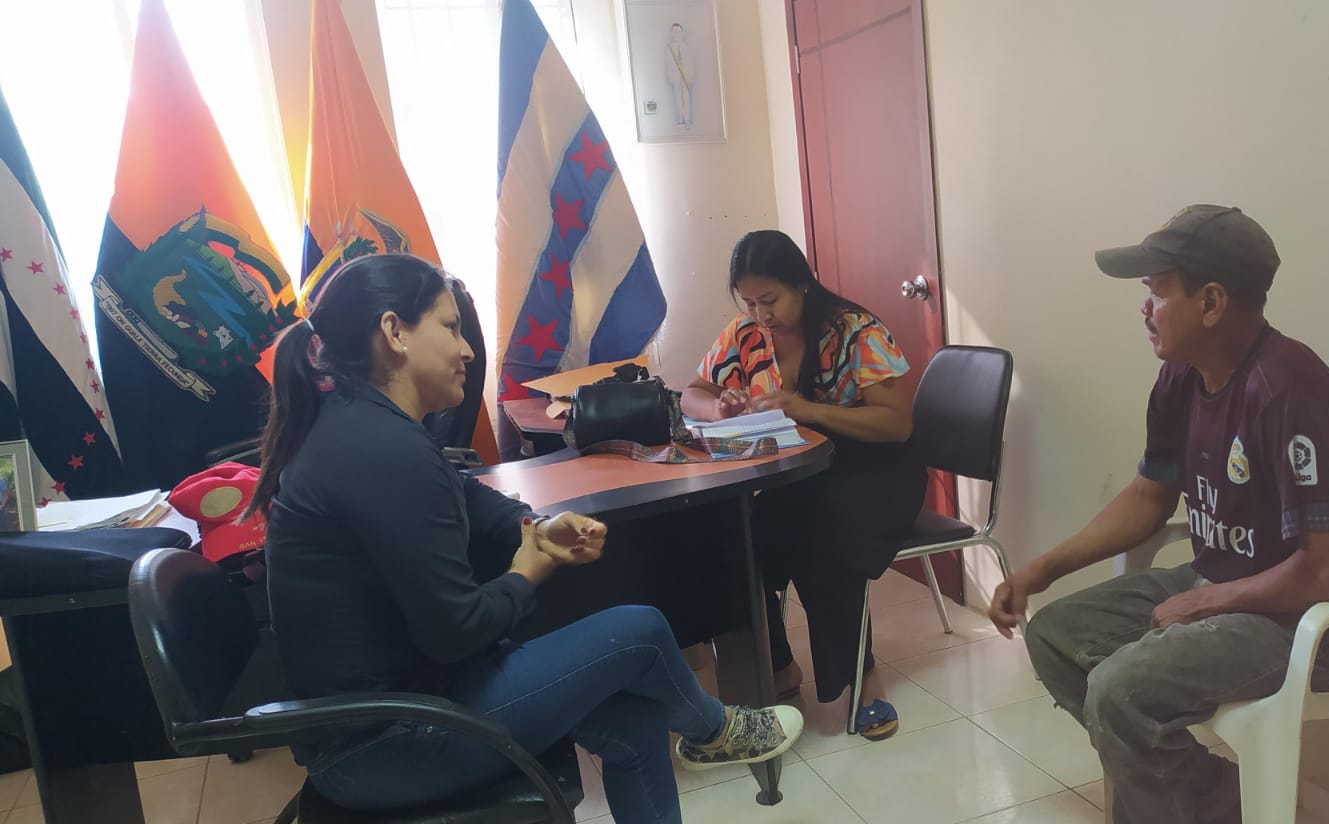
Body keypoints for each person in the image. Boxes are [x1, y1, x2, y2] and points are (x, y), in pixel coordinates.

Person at [249, 254, 801, 822]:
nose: (467, 351)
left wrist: (534, 527)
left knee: (635, 722)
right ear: (394, 332)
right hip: (388, 743)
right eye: (450, 327)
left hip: (407, 707)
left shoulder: (362, 426)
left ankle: (709, 732)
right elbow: (457, 631)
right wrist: (525, 573)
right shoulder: (378, 449)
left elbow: (464, 494)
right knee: (639, 632)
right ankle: (713, 731)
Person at [988, 206, 1329, 824]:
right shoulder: (1181, 379)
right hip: (1229, 586)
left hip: (1320, 624)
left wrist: (1204, 602)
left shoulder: (1287, 388)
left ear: (1211, 302)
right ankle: (1218, 800)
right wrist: (1041, 570)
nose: (1144, 307)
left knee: (1121, 692)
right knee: (1055, 637)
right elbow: (1148, 497)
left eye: (1158, 291)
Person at [681, 230, 926, 741]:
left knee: (824, 542)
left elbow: (897, 424)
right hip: (803, 474)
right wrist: (719, 408)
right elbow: (692, 394)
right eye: (749, 302)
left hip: (878, 471)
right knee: (736, 540)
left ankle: (864, 679)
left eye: (770, 299)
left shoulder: (855, 331)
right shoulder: (745, 335)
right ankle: (779, 667)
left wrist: (808, 409)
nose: (761, 314)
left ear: (802, 284)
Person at [664, 22, 695, 127]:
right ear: (671, 33)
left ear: (682, 32)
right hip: (675, 76)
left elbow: (691, 63)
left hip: (686, 76)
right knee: (677, 97)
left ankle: (687, 118)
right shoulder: (669, 48)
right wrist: (669, 77)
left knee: (686, 97)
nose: (676, 34)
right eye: (674, 32)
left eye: (678, 32)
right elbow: (668, 63)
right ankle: (680, 118)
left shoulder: (687, 46)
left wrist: (692, 77)